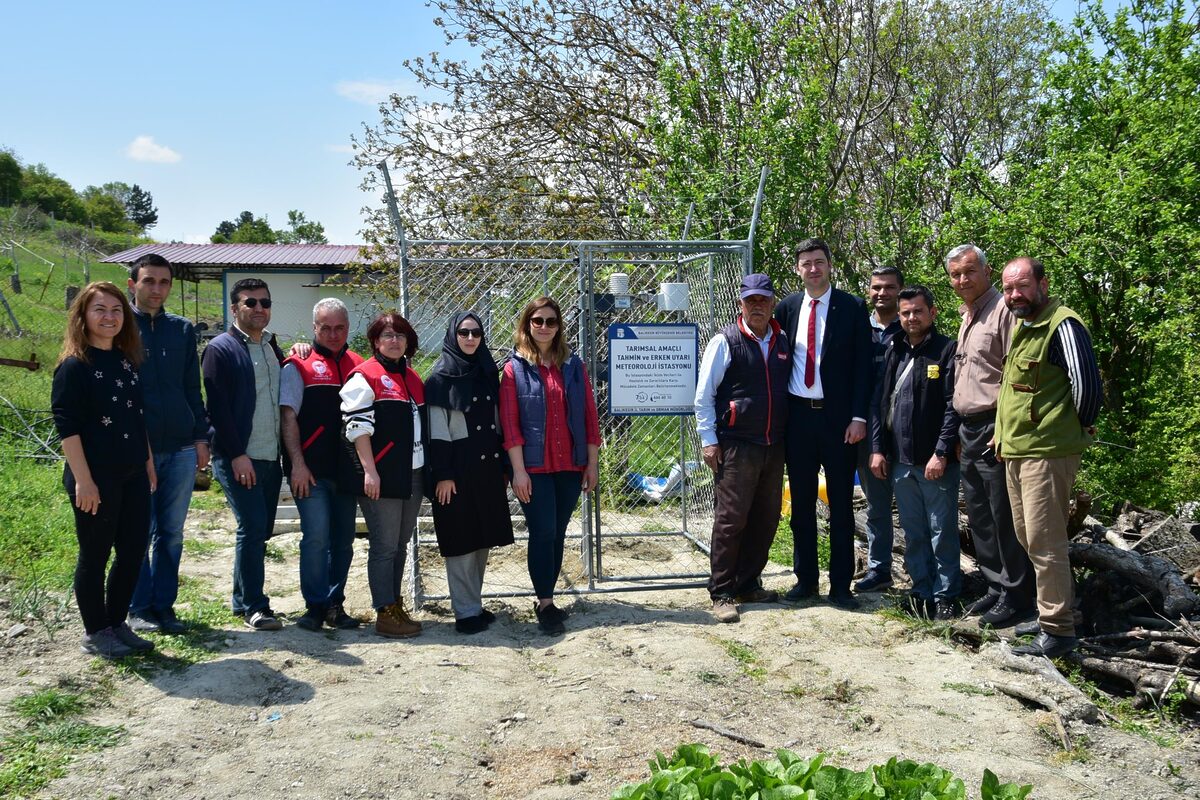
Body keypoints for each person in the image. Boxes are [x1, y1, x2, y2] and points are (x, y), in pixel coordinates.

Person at [996, 257, 1102, 658]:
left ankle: (1059, 632)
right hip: (1019, 449)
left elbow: (1087, 387)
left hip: (1048, 451)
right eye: (1008, 289)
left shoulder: (1063, 325)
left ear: (1043, 283)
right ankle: (1047, 615)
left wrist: (1081, 425)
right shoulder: (1026, 326)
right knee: (1029, 537)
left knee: (1045, 540)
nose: (1014, 295)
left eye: (1022, 286)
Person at [52, 282, 158, 658]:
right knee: (95, 555)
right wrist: (83, 480)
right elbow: (68, 429)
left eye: (116, 310)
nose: (109, 317)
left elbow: (136, 417)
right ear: (82, 316)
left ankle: (116, 623)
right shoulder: (73, 367)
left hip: (132, 472)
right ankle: (95, 631)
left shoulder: (127, 361)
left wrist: (147, 463)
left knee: (131, 552)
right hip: (95, 478)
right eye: (100, 309)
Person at [775, 238, 873, 608]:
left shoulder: (852, 307)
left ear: (829, 265)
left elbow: (864, 367)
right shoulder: (787, 309)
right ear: (797, 269)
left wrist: (858, 417)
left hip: (839, 421)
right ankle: (805, 581)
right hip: (799, 419)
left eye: (819, 261)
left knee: (841, 507)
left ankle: (840, 586)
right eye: (805, 263)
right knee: (800, 504)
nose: (813, 269)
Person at [944, 244, 1036, 628]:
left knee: (1004, 516)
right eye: (955, 275)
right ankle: (996, 588)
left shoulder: (1004, 312)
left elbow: (1018, 377)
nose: (962, 280)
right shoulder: (969, 315)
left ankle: (1018, 597)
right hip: (969, 428)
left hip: (995, 427)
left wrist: (1004, 429)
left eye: (969, 272)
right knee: (980, 515)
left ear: (986, 271)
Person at [499, 296, 601, 635]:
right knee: (542, 532)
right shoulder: (514, 369)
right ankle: (544, 602)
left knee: (557, 532)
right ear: (527, 325)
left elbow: (589, 415)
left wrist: (591, 464)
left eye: (551, 321)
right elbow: (510, 424)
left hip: (570, 465)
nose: (544, 327)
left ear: (559, 327)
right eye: (538, 321)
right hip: (533, 467)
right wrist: (518, 471)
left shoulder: (573, 366)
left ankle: (549, 595)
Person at [695, 274, 791, 623]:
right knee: (730, 521)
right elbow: (703, 397)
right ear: (741, 304)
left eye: (763, 300)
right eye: (751, 301)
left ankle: (749, 583)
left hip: (773, 443)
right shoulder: (725, 341)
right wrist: (708, 440)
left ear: (771, 302)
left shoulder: (782, 341)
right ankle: (722, 591)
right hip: (736, 445)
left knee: (766, 519)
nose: (757, 306)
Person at [125, 254, 209, 636]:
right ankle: (138, 606)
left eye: (163, 282)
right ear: (133, 284)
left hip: (179, 447)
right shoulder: (119, 327)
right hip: (135, 449)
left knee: (171, 532)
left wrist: (201, 437)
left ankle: (164, 605)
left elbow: (193, 387)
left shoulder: (181, 330)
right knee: (138, 531)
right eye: (148, 281)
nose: (156, 289)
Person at [869, 286, 961, 619]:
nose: (911, 318)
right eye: (905, 313)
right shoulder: (894, 350)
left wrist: (941, 451)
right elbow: (880, 403)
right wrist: (878, 448)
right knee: (913, 530)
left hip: (936, 462)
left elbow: (954, 406)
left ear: (932, 313)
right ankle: (921, 589)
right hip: (900, 461)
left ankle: (947, 594)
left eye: (917, 311)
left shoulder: (947, 350)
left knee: (942, 532)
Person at [203, 277, 286, 631]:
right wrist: (237, 455)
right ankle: (256, 606)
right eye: (250, 303)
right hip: (240, 457)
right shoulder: (220, 349)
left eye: (264, 303)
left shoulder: (272, 347)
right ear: (234, 307)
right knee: (251, 528)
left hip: (271, 456)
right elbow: (217, 408)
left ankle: (240, 600)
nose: (258, 309)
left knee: (259, 530)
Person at [425, 311, 514, 634]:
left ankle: (473, 603)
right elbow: (437, 431)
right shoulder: (439, 379)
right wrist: (443, 474)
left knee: (482, 538)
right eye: (464, 333)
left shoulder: (487, 371)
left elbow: (498, 420)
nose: (471, 338)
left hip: (488, 469)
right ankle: (464, 612)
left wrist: (504, 466)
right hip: (457, 473)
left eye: (476, 332)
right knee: (461, 540)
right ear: (453, 335)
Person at [340, 312, 426, 639]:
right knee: (385, 545)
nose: (394, 341)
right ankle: (384, 611)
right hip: (382, 476)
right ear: (375, 341)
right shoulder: (365, 376)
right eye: (387, 335)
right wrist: (369, 471)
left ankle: (395, 604)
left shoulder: (412, 377)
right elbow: (357, 428)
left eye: (400, 335)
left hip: (412, 474)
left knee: (401, 544)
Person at [281, 298, 364, 632]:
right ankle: (314, 607)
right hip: (310, 472)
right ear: (314, 327)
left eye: (339, 327)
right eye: (325, 327)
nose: (332, 334)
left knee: (343, 541)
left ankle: (335, 604)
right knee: (316, 537)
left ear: (348, 328)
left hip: (346, 471)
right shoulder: (297, 364)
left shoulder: (360, 365)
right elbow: (288, 417)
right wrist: (297, 464)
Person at [854, 265, 904, 594]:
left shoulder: (912, 327)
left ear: (900, 290)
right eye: (875, 287)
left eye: (888, 287)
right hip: (866, 431)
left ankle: (922, 572)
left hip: (905, 433)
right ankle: (879, 568)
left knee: (915, 508)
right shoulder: (859, 329)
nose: (881, 293)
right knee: (877, 506)